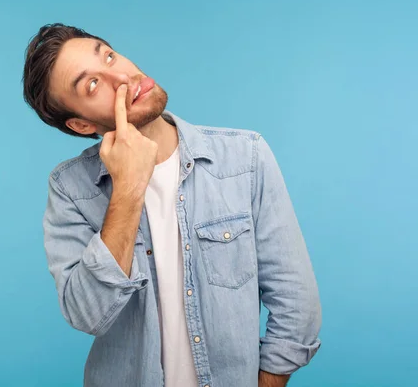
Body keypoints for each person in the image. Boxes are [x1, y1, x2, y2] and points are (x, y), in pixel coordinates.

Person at [22, 23, 322, 387]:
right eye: (93, 84)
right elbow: (87, 314)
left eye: (110, 55)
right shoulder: (70, 189)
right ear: (83, 125)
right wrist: (128, 189)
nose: (122, 76)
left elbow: (297, 303)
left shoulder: (246, 158)